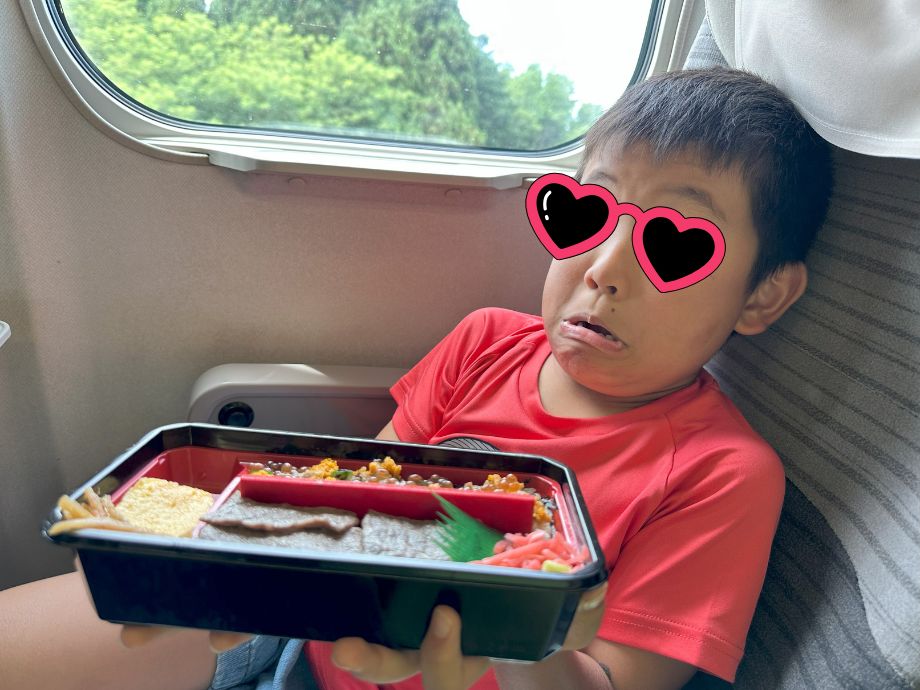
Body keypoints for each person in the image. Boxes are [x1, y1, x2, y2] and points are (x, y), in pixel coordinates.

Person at [0, 66, 833, 690]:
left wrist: (508, 627)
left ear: (764, 295)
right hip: (302, 636)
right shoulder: (485, 342)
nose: (604, 270)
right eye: (588, 214)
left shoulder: (724, 474)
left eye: (674, 244)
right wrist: (225, 565)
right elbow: (359, 499)